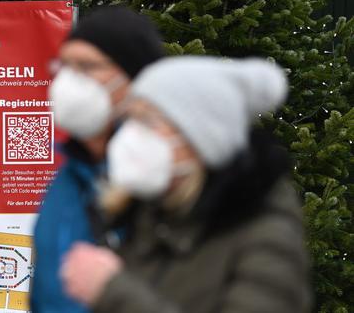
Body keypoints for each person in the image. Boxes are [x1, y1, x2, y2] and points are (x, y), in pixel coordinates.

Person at [60, 57, 312, 313]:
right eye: (130, 120)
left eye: (148, 121)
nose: (129, 137)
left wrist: (114, 293)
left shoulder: (264, 232)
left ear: (200, 137)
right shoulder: (145, 216)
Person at [31, 6, 164, 313]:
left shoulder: (168, 179)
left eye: (87, 66)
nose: (69, 81)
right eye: (65, 65)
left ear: (133, 77)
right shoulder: (66, 180)